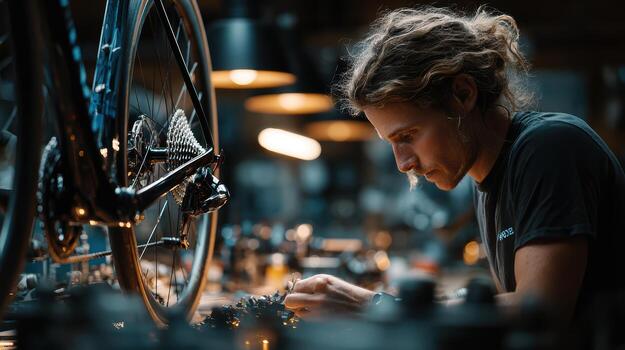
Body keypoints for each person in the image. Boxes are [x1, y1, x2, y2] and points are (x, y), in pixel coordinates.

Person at [284, 6, 625, 324]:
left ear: (462, 94)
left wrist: (376, 305)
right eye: (391, 143)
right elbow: (507, 310)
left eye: (408, 135)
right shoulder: (488, 181)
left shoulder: (548, 148)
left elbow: (541, 309)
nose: (402, 163)